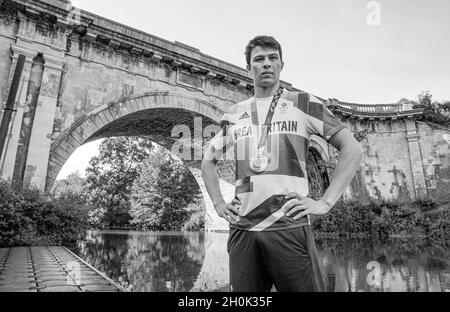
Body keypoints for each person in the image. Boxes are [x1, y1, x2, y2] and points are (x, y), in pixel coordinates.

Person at [201, 35, 363, 292]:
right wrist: (219, 204)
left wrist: (325, 202)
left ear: (281, 65)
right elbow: (208, 162)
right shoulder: (233, 113)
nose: (266, 64)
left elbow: (352, 148)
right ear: (248, 68)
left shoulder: (304, 104)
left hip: (289, 225)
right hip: (243, 229)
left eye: (272, 58)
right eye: (259, 59)